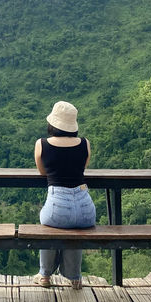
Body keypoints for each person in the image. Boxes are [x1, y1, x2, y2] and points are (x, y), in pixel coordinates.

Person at [33, 100, 96, 289]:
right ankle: (75, 277)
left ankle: (45, 275)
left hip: (57, 206)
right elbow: (81, 168)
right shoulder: (85, 144)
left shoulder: (42, 144)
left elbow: (43, 172)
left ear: (52, 123)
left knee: (48, 227)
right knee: (75, 229)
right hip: (86, 209)